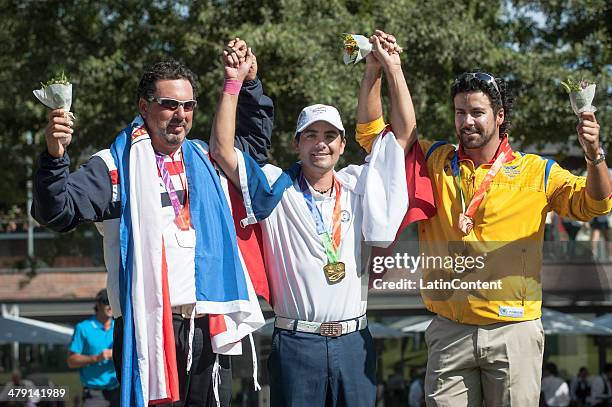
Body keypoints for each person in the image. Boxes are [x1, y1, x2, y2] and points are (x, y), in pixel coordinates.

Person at [356, 34, 611, 405]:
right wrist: (376, 72)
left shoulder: (535, 171)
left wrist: (594, 156)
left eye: (477, 112)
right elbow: (373, 137)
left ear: (499, 116)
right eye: (460, 112)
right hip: (449, 330)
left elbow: (596, 204)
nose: (468, 121)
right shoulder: (436, 161)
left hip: (513, 331)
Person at [31, 54, 271, 406]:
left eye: (188, 105)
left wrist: (247, 85)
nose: (181, 115)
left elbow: (255, 151)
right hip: (148, 328)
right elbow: (56, 213)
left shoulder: (208, 157)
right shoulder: (114, 165)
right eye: (169, 104)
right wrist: (54, 156)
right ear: (144, 106)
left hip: (208, 325)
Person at [209, 31, 414, 407]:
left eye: (330, 136)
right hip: (296, 343)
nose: (321, 143)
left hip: (355, 342)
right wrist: (233, 82)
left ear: (341, 145)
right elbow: (222, 150)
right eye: (311, 135)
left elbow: (401, 136)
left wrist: (386, 70)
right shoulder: (273, 186)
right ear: (296, 143)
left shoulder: (357, 183)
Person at [67, 289, 119, 406]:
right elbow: (71, 361)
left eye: (113, 301)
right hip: (94, 395)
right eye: (107, 301)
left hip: (118, 390)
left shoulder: (120, 327)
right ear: (98, 304)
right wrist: (97, 358)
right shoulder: (83, 328)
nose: (110, 306)